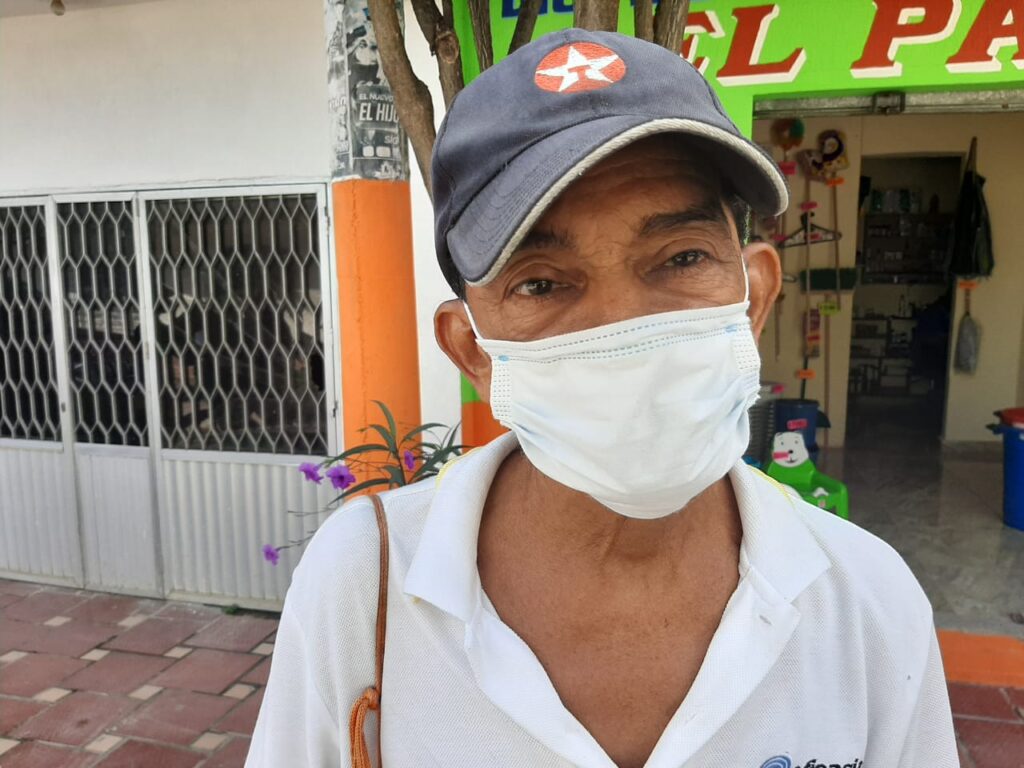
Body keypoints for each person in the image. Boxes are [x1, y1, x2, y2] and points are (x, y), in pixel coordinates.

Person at [246, 29, 957, 768]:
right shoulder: (364, 585)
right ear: (471, 351)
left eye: (682, 258)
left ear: (753, 298)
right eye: (541, 283)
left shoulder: (869, 602)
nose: (622, 325)